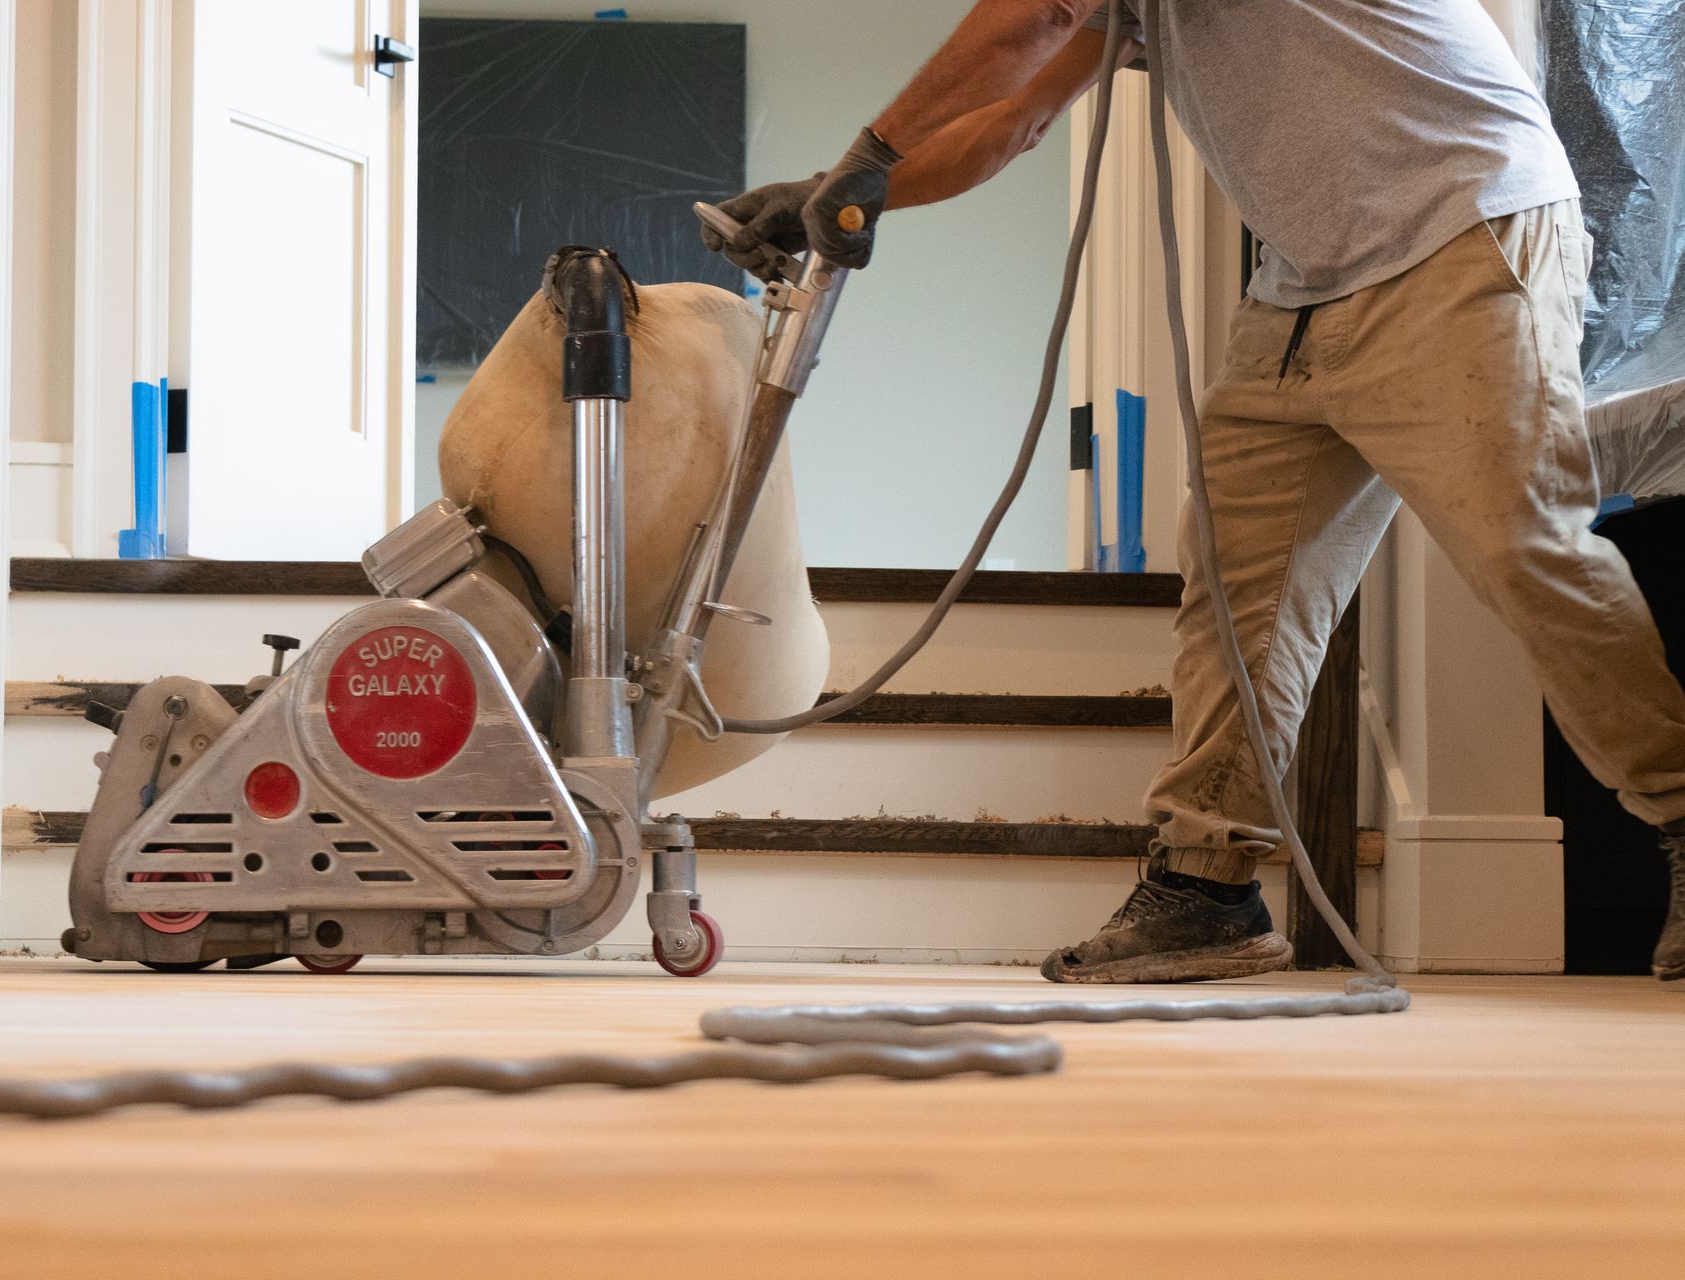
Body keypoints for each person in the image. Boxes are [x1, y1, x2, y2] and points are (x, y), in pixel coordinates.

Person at [700, 0, 1685, 983]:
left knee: (1523, 546)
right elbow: (1013, 119)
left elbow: (1025, 25)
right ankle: (1206, 885)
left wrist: (871, 149)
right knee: (1235, 586)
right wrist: (838, 189)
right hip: (1305, 288)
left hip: (1461, 229)